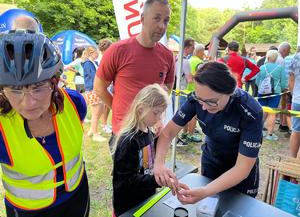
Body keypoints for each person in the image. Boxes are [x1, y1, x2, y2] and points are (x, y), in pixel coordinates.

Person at [0, 30, 90, 216]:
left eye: (38, 87)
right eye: (16, 90)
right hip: (28, 211)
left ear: (54, 82)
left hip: (77, 197)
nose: (29, 103)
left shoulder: (75, 103)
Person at [154, 61, 263, 204]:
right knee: (209, 208)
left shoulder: (250, 112)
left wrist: (205, 191)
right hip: (211, 161)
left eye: (211, 102)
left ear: (229, 92)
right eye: (200, 100)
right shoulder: (196, 100)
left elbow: (242, 169)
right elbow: (167, 133)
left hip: (240, 172)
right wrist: (159, 164)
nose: (204, 107)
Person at [94, 0, 175, 152]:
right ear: (143, 18)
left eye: (166, 21)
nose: (161, 26)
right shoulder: (118, 50)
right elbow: (99, 88)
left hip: (151, 133)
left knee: (148, 174)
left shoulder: (167, 56)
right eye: (157, 18)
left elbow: (166, 90)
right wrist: (122, 111)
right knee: (124, 176)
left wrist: (157, 117)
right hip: (124, 132)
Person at [112, 84, 169, 216]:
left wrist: (161, 172)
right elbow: (126, 180)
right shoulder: (129, 141)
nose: (159, 118)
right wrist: (156, 180)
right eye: (156, 113)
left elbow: (148, 163)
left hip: (145, 197)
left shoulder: (149, 132)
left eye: (161, 113)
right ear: (140, 108)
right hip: (128, 205)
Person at [256, 50, 286, 141]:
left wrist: (262, 88)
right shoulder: (280, 68)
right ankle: (270, 134)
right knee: (272, 113)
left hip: (262, 92)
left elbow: (257, 81)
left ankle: (259, 130)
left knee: (262, 111)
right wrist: (281, 89)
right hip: (275, 92)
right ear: (276, 58)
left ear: (267, 57)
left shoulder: (262, 67)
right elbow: (283, 83)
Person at [82, 46, 106, 142]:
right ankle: (95, 135)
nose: (98, 54)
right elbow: (94, 76)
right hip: (93, 90)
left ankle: (92, 130)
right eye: (97, 53)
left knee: (99, 111)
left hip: (96, 89)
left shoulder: (93, 63)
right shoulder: (88, 64)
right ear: (91, 53)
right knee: (96, 113)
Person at [98, 38, 113, 134]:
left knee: (107, 106)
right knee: (105, 105)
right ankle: (104, 124)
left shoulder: (105, 56)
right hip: (104, 84)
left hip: (108, 83)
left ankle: (105, 123)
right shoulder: (103, 58)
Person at [289, 50, 300, 158]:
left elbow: (291, 80)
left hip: (297, 100)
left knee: (296, 131)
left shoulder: (296, 57)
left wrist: (294, 94)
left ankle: (292, 159)